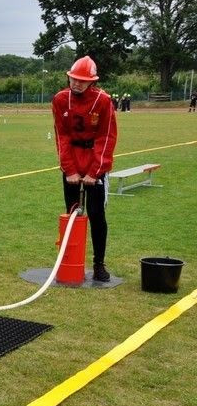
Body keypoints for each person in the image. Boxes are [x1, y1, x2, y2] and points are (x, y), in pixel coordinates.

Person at [52, 56, 118, 282]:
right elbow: (62, 136)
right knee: (72, 214)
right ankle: (70, 260)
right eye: (73, 79)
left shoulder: (103, 101)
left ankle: (99, 264)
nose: (76, 83)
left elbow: (106, 137)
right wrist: (69, 169)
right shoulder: (60, 100)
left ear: (92, 82)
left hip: (94, 163)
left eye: (82, 80)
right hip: (72, 162)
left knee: (97, 215)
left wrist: (94, 172)